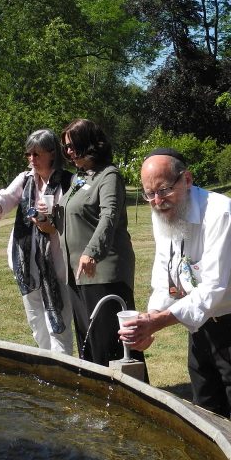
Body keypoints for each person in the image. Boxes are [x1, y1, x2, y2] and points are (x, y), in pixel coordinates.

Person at [119, 148, 231, 436]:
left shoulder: (222, 212)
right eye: (148, 194)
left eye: (163, 190)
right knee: (205, 416)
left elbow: (213, 288)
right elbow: (166, 271)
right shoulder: (162, 213)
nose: (157, 202)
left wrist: (158, 321)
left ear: (186, 179)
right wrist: (149, 321)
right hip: (199, 327)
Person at [0, 129, 75, 355]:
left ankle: (62, 370)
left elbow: (73, 219)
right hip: (27, 266)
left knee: (58, 323)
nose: (31, 159)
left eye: (36, 154)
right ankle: (48, 365)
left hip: (56, 265)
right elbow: (6, 197)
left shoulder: (68, 181)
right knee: (37, 324)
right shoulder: (26, 178)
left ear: (51, 153)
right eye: (28, 154)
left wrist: (51, 222)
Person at [59, 119, 139, 368]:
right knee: (90, 344)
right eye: (66, 147)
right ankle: (97, 397)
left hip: (103, 272)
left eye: (72, 146)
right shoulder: (79, 178)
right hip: (78, 274)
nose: (68, 152)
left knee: (110, 345)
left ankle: (124, 399)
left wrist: (92, 252)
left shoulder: (109, 176)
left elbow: (109, 216)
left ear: (90, 144)